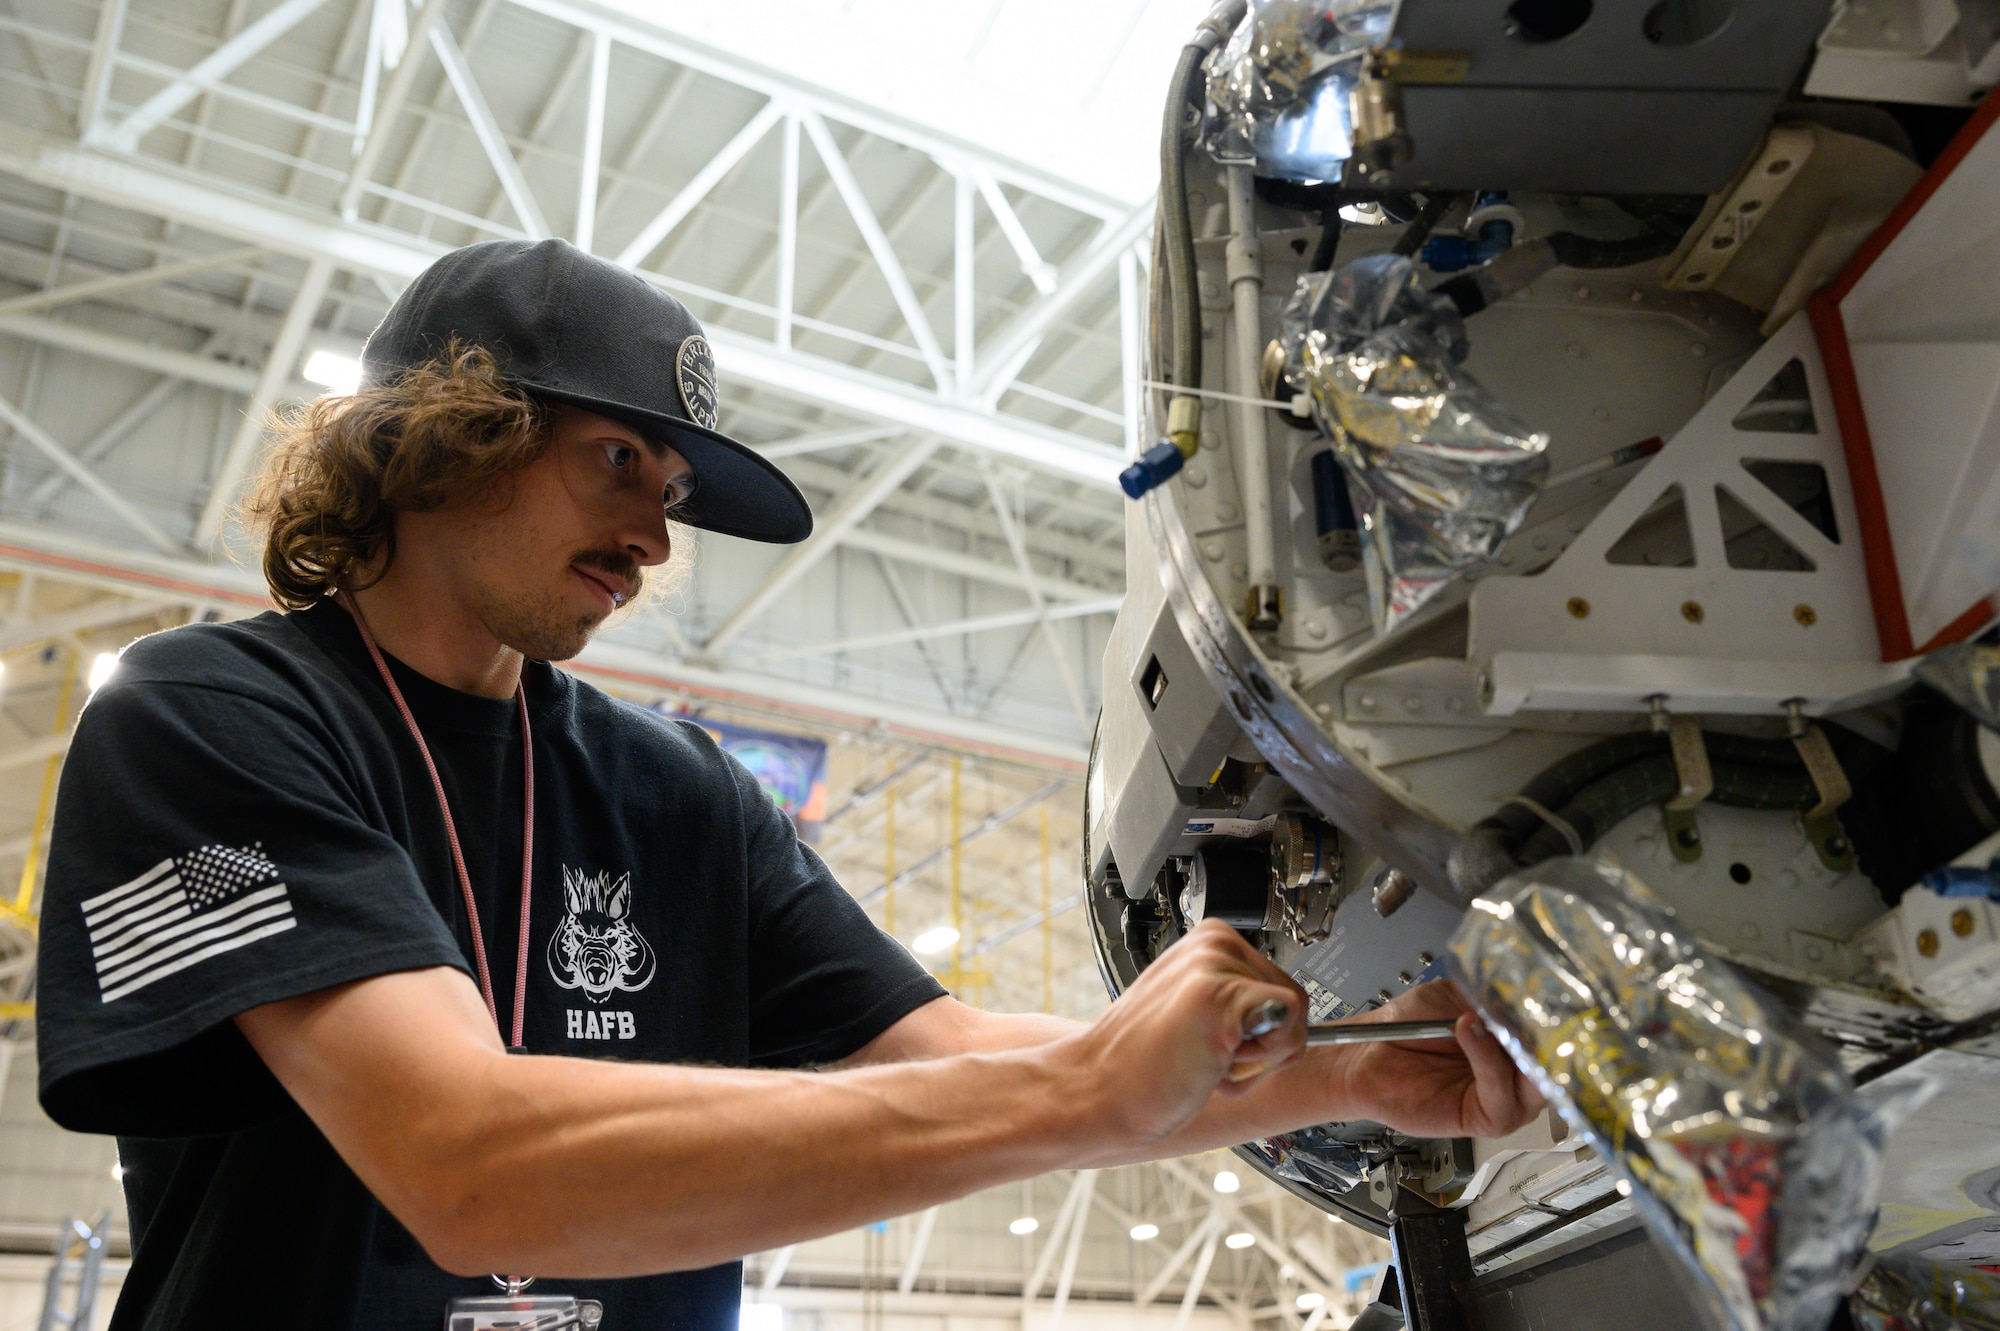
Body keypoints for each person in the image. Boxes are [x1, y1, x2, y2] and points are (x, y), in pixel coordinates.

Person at [33, 239, 1541, 1331]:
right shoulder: (212, 720)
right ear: (443, 439)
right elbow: (467, 1166)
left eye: (672, 495)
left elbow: (938, 1051)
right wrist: (1087, 1091)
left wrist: (1341, 1064)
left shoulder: (674, 790)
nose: (653, 541)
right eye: (618, 459)